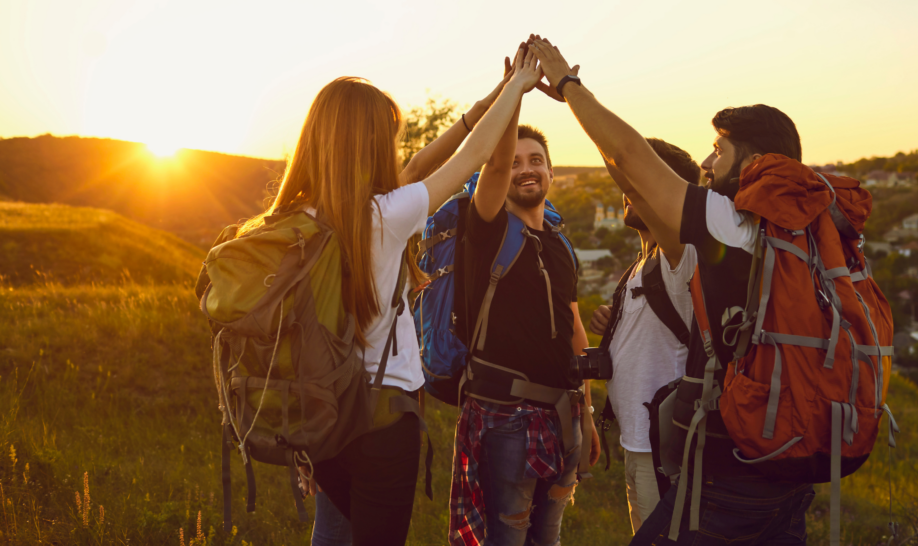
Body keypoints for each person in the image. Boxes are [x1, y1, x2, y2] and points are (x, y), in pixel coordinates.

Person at [237, 46, 543, 546]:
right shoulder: (384, 217)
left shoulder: (293, 223)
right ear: (371, 143)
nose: (399, 148)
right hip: (382, 421)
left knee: (334, 533)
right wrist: (517, 89)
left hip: (323, 416)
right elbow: (471, 159)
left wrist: (492, 97)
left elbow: (425, 160)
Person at [528, 36, 816, 545]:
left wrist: (572, 88)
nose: (707, 163)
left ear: (751, 162)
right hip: (776, 451)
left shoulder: (729, 226)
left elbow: (630, 160)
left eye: (720, 150)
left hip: (724, 460)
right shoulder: (791, 231)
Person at [448, 115, 601, 543]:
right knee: (505, 536)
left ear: (552, 171)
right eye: (514, 163)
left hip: (562, 415)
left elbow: (573, 330)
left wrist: (585, 415)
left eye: (536, 160)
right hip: (505, 418)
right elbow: (493, 169)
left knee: (547, 536)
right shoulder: (487, 230)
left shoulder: (558, 242)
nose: (526, 168)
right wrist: (516, 89)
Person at [588, 139, 699, 534]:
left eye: (640, 181)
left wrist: (571, 92)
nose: (627, 190)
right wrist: (613, 321)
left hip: (663, 449)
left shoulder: (680, 256)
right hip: (638, 440)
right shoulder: (641, 264)